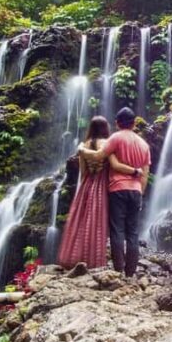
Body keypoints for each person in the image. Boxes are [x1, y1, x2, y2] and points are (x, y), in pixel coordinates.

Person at [78, 107, 151, 277]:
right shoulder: (144, 145)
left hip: (117, 189)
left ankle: (118, 269)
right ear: (134, 124)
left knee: (117, 230)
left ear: (117, 123)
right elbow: (145, 175)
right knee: (133, 232)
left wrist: (81, 150)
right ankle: (130, 272)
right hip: (135, 190)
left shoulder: (115, 138)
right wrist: (140, 192)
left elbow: (97, 157)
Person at [57, 116, 136, 269]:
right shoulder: (107, 143)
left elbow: (83, 171)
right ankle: (96, 260)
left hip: (87, 183)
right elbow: (114, 165)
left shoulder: (84, 145)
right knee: (99, 222)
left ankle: (79, 257)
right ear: (105, 128)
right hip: (103, 183)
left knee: (84, 221)